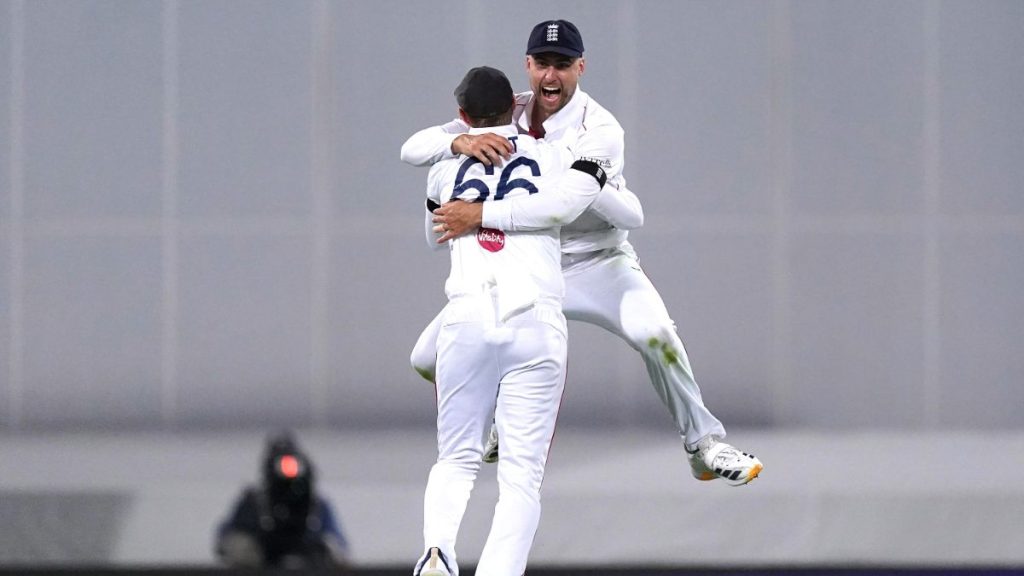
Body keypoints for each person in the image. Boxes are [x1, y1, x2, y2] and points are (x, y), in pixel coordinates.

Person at [401, 19, 763, 487]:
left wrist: (479, 214)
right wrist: (459, 140)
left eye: (564, 65)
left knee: (654, 334)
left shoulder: (600, 128)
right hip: (528, 268)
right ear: (528, 66)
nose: (552, 77)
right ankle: (494, 421)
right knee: (427, 358)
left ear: (581, 67)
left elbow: (563, 207)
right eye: (543, 64)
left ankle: (704, 444)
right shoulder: (507, 110)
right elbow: (413, 148)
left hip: (596, 259)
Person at [413, 66, 609, 576]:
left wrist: (461, 163)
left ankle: (436, 551)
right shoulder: (551, 156)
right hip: (535, 320)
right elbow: (586, 198)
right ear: (515, 108)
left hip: (467, 315)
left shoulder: (442, 170)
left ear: (462, 117)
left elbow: (434, 235)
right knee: (521, 479)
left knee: (455, 458)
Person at [215, 432, 351, 570]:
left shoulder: (316, 506)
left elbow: (338, 544)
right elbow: (225, 538)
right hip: (260, 561)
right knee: (240, 547)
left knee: (328, 548)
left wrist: (324, 549)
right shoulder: (253, 503)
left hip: (308, 560)